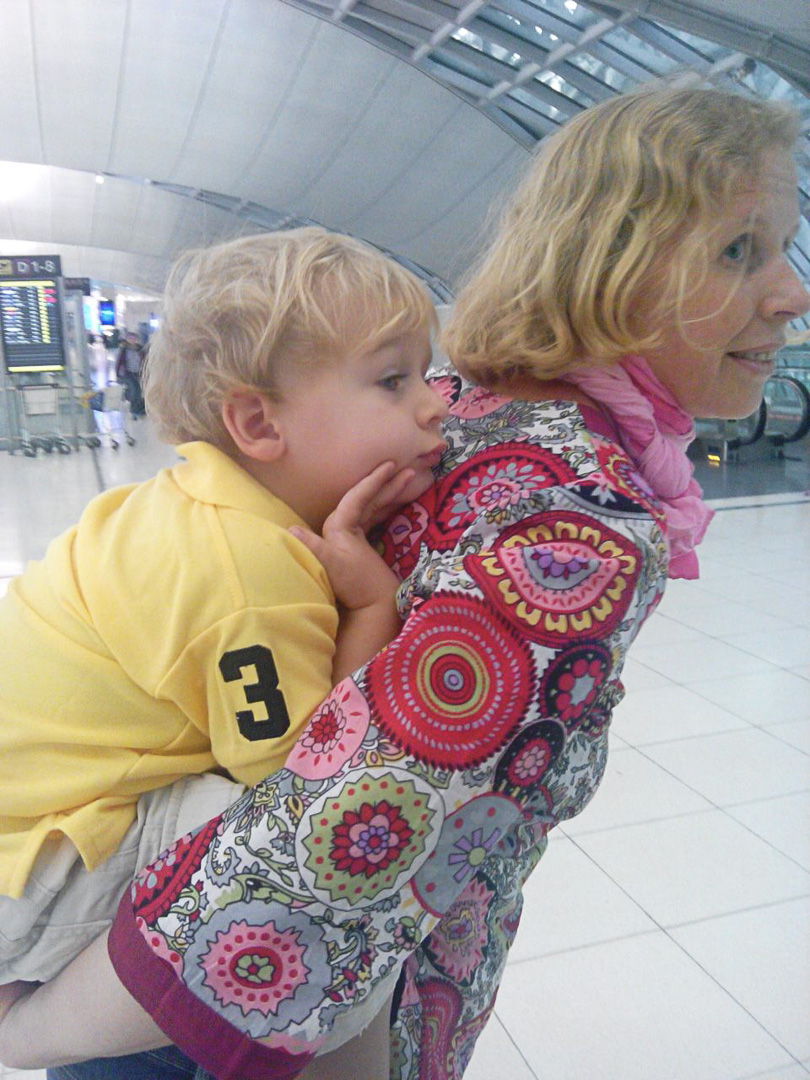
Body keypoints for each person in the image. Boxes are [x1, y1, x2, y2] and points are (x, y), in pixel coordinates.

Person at [3, 83, 809, 1080]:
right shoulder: (580, 524)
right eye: (738, 250)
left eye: (784, 246)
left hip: (120, 951)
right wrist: (29, 1034)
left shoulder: (462, 411)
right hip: (187, 1017)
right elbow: (312, 856)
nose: (792, 292)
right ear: (616, 262)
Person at [0, 228, 448, 1078]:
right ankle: (29, 1028)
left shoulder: (182, 503)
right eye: (394, 380)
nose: (434, 405)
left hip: (31, 831)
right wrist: (371, 604)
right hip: (36, 871)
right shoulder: (248, 569)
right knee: (322, 886)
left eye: (427, 373)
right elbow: (303, 785)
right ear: (257, 422)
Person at [116, 330, 146, 416]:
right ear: (127, 339)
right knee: (134, 390)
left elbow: (144, 360)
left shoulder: (140, 349)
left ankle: (139, 408)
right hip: (128, 373)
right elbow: (119, 362)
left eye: (133, 338)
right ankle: (134, 409)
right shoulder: (124, 349)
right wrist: (117, 374)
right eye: (130, 338)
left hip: (138, 373)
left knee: (139, 390)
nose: (132, 340)